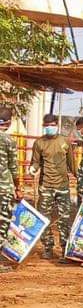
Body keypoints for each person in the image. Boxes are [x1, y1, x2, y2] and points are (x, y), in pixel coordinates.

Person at [29, 114, 76, 262]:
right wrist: (33, 168)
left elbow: (72, 163)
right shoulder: (39, 143)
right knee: (44, 218)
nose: (50, 127)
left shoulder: (65, 141)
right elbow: (35, 162)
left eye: (52, 125)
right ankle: (47, 248)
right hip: (46, 186)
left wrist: (80, 178)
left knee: (64, 219)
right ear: (44, 126)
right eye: (47, 125)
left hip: (63, 186)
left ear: (57, 125)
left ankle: (65, 250)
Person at [0, 105, 20, 272]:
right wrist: (18, 187)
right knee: (2, 223)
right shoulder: (8, 141)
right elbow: (14, 168)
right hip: (4, 188)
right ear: (8, 122)